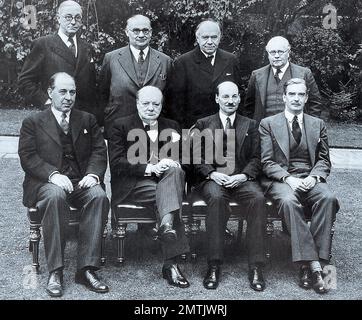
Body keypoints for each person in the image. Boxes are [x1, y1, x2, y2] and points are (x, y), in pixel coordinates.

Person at [18, 72, 110, 297]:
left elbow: (99, 151)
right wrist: (52, 175)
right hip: (46, 183)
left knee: (98, 196)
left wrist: (93, 175)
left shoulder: (87, 119)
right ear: (50, 92)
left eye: (72, 92)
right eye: (63, 91)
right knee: (55, 195)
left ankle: (87, 269)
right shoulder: (33, 122)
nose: (68, 97)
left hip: (80, 181)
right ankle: (56, 271)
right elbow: (28, 157)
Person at [259, 78, 339, 294]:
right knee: (287, 200)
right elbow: (266, 162)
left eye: (300, 95)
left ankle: (310, 264)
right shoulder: (268, 124)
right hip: (282, 180)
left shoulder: (317, 124)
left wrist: (314, 177)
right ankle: (314, 267)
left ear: (306, 98)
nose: (296, 98)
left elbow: (324, 160)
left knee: (328, 198)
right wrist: (289, 179)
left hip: (309, 177)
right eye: (291, 94)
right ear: (284, 97)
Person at [108, 86, 190, 288]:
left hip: (167, 180)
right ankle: (171, 262)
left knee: (176, 173)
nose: (151, 108)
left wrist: (175, 163)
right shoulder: (120, 125)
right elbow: (117, 164)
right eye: (146, 103)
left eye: (156, 103)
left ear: (162, 105)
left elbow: (186, 159)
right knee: (169, 196)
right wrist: (151, 168)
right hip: (135, 184)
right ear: (137, 103)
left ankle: (166, 228)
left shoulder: (172, 125)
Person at [192, 81, 267, 291]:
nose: (230, 101)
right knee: (216, 199)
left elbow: (257, 157)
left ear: (240, 98)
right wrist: (213, 173)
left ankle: (256, 266)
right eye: (225, 97)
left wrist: (243, 176)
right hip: (214, 179)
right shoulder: (203, 124)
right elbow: (196, 157)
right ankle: (214, 265)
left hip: (241, 179)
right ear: (217, 98)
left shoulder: (250, 125)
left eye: (234, 96)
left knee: (258, 199)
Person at [18, 1, 101, 123]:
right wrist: (46, 102)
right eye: (68, 17)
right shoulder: (43, 44)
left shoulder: (87, 47)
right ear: (58, 18)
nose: (73, 22)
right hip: (54, 117)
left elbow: (92, 86)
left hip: (83, 119)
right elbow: (25, 81)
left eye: (77, 18)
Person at [99, 14, 172, 137]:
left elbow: (170, 98)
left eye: (145, 30)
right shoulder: (111, 58)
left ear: (151, 32)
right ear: (127, 32)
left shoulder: (165, 61)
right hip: (118, 126)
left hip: (154, 127)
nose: (141, 35)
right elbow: (102, 94)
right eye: (136, 30)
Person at [169, 19, 241, 129]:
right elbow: (176, 104)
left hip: (226, 127)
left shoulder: (231, 60)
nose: (210, 42)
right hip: (195, 127)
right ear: (197, 38)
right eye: (205, 37)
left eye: (214, 37)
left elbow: (239, 96)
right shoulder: (183, 62)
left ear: (220, 37)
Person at [244, 36, 322, 122]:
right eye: (273, 52)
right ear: (268, 55)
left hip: (294, 129)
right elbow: (249, 107)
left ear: (288, 53)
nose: (276, 56)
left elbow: (315, 104)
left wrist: (310, 127)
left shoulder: (304, 74)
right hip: (264, 130)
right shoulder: (257, 75)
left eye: (280, 52)